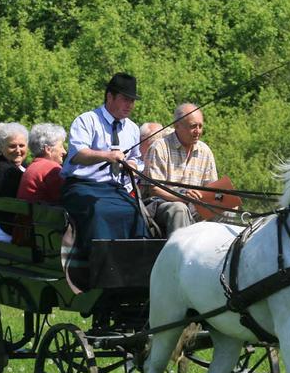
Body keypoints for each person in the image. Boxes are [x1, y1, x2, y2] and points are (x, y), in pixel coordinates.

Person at [60, 72, 149, 261]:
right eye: (125, 99)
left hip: (114, 188)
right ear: (110, 96)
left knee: (136, 212)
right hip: (82, 186)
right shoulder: (87, 120)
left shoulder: (132, 128)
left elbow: (136, 159)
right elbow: (78, 155)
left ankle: (136, 265)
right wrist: (108, 156)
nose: (130, 105)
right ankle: (99, 264)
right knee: (99, 211)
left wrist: (131, 164)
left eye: (132, 101)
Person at [144, 102, 218, 236]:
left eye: (200, 126)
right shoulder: (160, 147)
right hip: (163, 206)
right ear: (177, 125)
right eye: (193, 126)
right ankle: (179, 255)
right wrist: (182, 198)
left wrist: (221, 199)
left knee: (226, 209)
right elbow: (154, 189)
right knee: (180, 209)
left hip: (196, 206)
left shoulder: (205, 151)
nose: (198, 131)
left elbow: (212, 188)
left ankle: (220, 254)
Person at [0, 123, 28, 241]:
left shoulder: (20, 166)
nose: (18, 150)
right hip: (9, 232)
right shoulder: (6, 171)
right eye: (12, 146)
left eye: (22, 145)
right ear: (1, 148)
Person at [17, 123, 66, 204]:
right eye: (61, 146)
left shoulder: (33, 166)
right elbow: (64, 197)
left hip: (29, 215)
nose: (64, 151)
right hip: (41, 216)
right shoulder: (51, 168)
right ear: (48, 149)